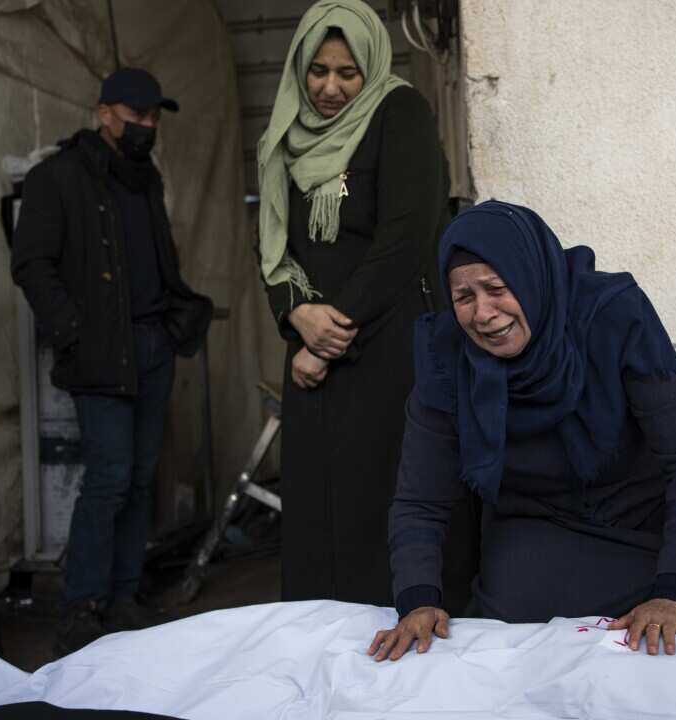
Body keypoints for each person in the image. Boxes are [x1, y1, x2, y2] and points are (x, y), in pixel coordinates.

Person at [370, 201, 676, 661]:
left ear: (531, 275)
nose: (483, 314)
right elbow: (419, 499)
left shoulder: (611, 314)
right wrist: (416, 599)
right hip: (546, 528)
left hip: (658, 515)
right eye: (463, 298)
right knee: (511, 641)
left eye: (496, 288)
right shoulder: (445, 354)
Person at [257, 0, 475, 607]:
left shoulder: (399, 113)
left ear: (371, 68)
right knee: (319, 506)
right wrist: (295, 315)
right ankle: (323, 650)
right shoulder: (286, 133)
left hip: (384, 344)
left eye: (347, 73)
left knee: (385, 491)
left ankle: (403, 638)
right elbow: (273, 240)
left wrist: (333, 331)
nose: (329, 87)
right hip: (310, 349)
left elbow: (406, 236)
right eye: (318, 71)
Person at [11, 67, 211, 654]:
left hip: (151, 344)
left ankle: (124, 597)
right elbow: (31, 264)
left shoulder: (144, 177)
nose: (147, 127)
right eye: (136, 116)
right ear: (104, 114)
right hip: (101, 351)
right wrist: (73, 328)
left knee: (141, 477)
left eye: (153, 118)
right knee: (109, 478)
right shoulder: (58, 177)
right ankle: (82, 606)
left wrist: (177, 317)